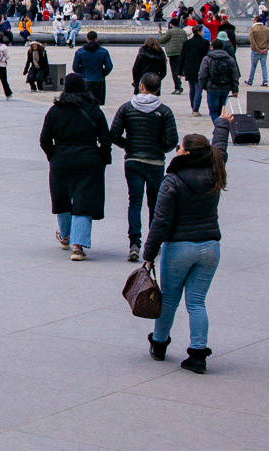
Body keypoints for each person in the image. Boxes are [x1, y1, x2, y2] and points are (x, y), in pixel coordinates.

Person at [145, 116, 232, 372]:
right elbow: (220, 148)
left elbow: (160, 222)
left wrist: (149, 254)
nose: (177, 150)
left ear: (188, 153)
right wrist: (223, 124)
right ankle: (197, 354)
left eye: (180, 147)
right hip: (210, 247)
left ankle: (159, 344)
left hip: (180, 247)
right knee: (196, 302)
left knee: (169, 300)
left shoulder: (173, 180)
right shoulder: (215, 170)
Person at [40, 72, 112, 260]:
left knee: (62, 198)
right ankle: (77, 246)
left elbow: (44, 139)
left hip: (62, 159)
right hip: (88, 159)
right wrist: (103, 159)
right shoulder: (94, 110)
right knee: (84, 202)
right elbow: (105, 139)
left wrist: (52, 155)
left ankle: (65, 236)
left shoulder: (55, 111)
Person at [111, 72, 179, 262]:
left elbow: (113, 134)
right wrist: (161, 149)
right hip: (155, 162)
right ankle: (153, 243)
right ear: (158, 89)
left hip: (133, 160)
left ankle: (134, 243)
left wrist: (127, 146)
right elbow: (172, 140)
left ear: (141, 86)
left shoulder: (126, 108)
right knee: (155, 204)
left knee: (135, 202)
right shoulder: (164, 111)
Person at [197, 38, 241, 124]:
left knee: (213, 111)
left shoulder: (207, 58)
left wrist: (203, 86)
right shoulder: (229, 59)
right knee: (221, 110)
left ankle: (218, 127)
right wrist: (235, 89)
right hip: (225, 87)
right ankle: (220, 127)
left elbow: (202, 74)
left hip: (212, 87)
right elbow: (235, 75)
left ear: (212, 47)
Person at [72, 30, 114, 105]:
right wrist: (102, 74)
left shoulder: (80, 52)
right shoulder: (104, 51)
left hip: (85, 80)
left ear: (87, 39)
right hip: (99, 80)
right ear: (96, 39)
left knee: (84, 103)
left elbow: (75, 67)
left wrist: (81, 74)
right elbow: (109, 66)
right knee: (97, 104)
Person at [179, 23, 211, 115]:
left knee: (192, 89)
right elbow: (207, 57)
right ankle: (195, 109)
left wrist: (180, 71)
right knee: (198, 89)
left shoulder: (187, 43)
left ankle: (193, 106)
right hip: (201, 69)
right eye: (202, 31)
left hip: (189, 68)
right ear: (199, 32)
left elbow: (182, 57)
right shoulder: (205, 43)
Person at [248, 16, 269, 87]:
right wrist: (266, 48)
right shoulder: (267, 29)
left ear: (255, 20)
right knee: (264, 66)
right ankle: (265, 81)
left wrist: (257, 49)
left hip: (256, 51)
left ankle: (250, 81)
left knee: (253, 66)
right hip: (264, 51)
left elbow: (252, 40)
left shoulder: (253, 29)